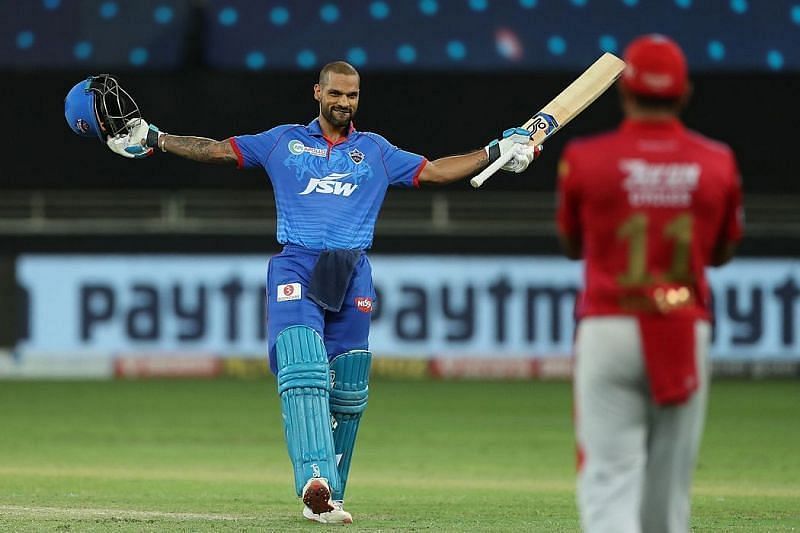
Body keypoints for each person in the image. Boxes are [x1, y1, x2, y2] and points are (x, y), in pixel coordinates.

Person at [67, 61, 540, 524]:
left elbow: (435, 171)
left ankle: (329, 498)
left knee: (350, 389)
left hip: (351, 270)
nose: (343, 102)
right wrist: (154, 138)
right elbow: (215, 150)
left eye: (351, 95)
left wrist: (496, 150)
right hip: (298, 262)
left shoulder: (375, 151)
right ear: (318, 93)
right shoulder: (282, 142)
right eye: (335, 93)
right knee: (304, 367)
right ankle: (314, 478)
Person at [555, 35, 743, 533]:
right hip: (682, 327)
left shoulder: (586, 158)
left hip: (609, 325)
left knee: (609, 483)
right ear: (683, 95)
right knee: (668, 494)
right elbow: (722, 253)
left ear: (624, 93)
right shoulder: (717, 161)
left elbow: (574, 245)